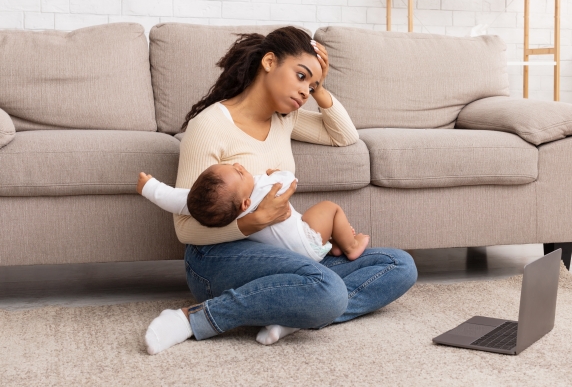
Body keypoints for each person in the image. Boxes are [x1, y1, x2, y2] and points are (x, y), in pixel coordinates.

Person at [143, 26, 417, 355]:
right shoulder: (210, 126)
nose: (305, 92)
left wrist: (320, 89)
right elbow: (184, 228)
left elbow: (343, 135)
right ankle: (193, 320)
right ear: (270, 62)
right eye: (301, 77)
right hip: (216, 259)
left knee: (399, 266)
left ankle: (294, 311)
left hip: (287, 254)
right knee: (329, 291)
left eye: (311, 85)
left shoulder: (285, 118)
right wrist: (253, 221)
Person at [136, 164, 370, 262]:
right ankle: (351, 246)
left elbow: (178, 200)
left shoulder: (215, 206)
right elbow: (289, 180)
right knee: (329, 208)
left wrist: (151, 187)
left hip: (290, 256)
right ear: (245, 204)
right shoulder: (263, 189)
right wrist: (276, 172)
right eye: (238, 172)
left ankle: (335, 243)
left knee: (312, 219)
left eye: (231, 166)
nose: (239, 165)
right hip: (307, 241)